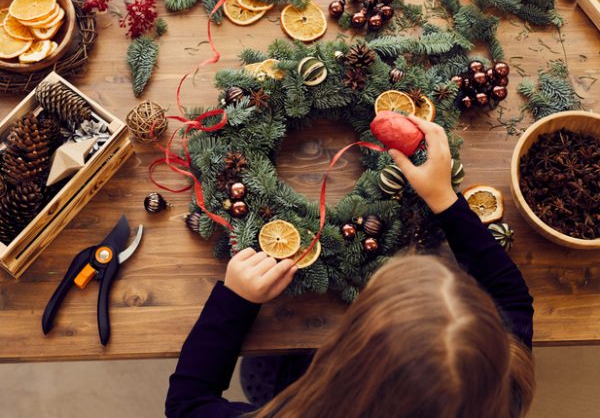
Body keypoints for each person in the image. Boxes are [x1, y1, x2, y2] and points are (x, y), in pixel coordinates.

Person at [165, 116, 535, 418]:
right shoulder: (505, 386)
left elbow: (187, 403)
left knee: (266, 371)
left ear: (350, 358)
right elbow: (513, 298)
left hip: (298, 391)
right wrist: (444, 199)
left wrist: (235, 301)